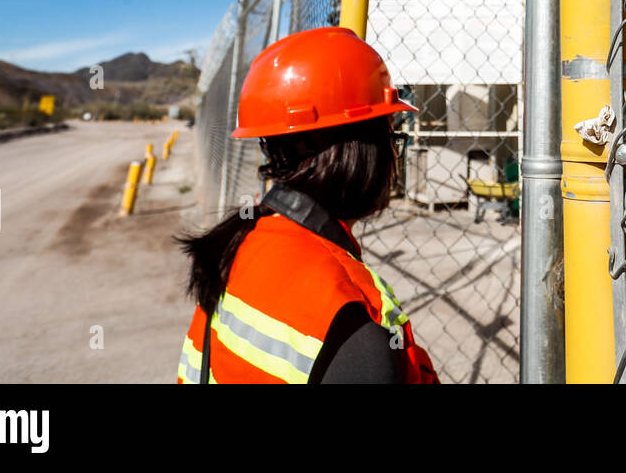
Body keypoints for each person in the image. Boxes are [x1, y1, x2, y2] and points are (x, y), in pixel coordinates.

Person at [176, 26, 439, 384]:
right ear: (358, 149)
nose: (394, 153)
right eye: (390, 136)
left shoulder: (238, 242)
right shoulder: (352, 320)